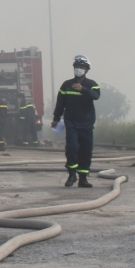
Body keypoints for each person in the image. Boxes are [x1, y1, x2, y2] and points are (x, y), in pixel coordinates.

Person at [50, 55, 102, 187]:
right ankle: (72, 174)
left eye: (82, 67)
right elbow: (60, 103)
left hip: (87, 123)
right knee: (72, 147)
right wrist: (56, 118)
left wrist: (83, 89)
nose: (79, 69)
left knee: (86, 150)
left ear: (86, 69)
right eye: (77, 67)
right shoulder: (66, 85)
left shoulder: (92, 85)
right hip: (71, 122)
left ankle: (83, 178)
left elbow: (96, 96)